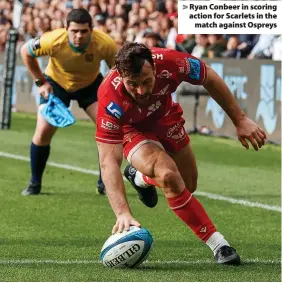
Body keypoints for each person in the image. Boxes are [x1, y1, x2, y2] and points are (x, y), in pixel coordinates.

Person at [96, 43, 267, 264]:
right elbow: (108, 160)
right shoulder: (109, 96)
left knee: (187, 184)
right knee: (168, 176)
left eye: (146, 81)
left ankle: (140, 178)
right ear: (120, 76)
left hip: (166, 117)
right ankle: (219, 245)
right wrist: (122, 213)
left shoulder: (173, 62)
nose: (141, 91)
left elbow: (209, 77)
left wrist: (240, 119)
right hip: (132, 129)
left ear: (155, 68)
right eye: (133, 84)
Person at [20, 8, 117, 196]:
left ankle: (104, 182)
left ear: (91, 30)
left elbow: (119, 69)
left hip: (90, 85)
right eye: (74, 31)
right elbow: (25, 51)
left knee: (109, 129)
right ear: (66, 29)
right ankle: (35, 183)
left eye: (83, 31)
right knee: (43, 131)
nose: (78, 36)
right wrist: (40, 82)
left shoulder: (104, 43)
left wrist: (112, 90)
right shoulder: (53, 40)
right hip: (56, 84)